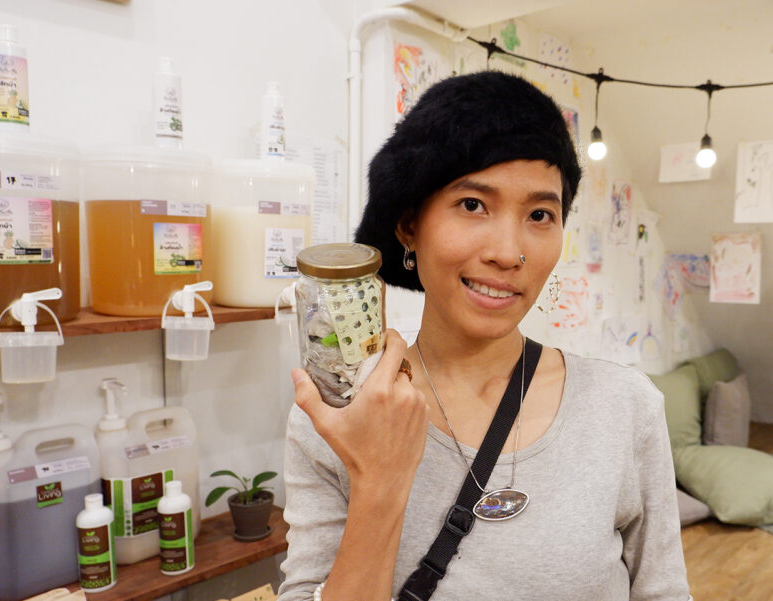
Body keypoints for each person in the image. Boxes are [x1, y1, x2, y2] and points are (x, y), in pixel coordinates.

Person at [278, 70, 691, 601]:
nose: (508, 251)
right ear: (409, 225)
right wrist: (379, 482)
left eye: (540, 214)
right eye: (473, 204)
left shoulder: (625, 407)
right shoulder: (338, 413)